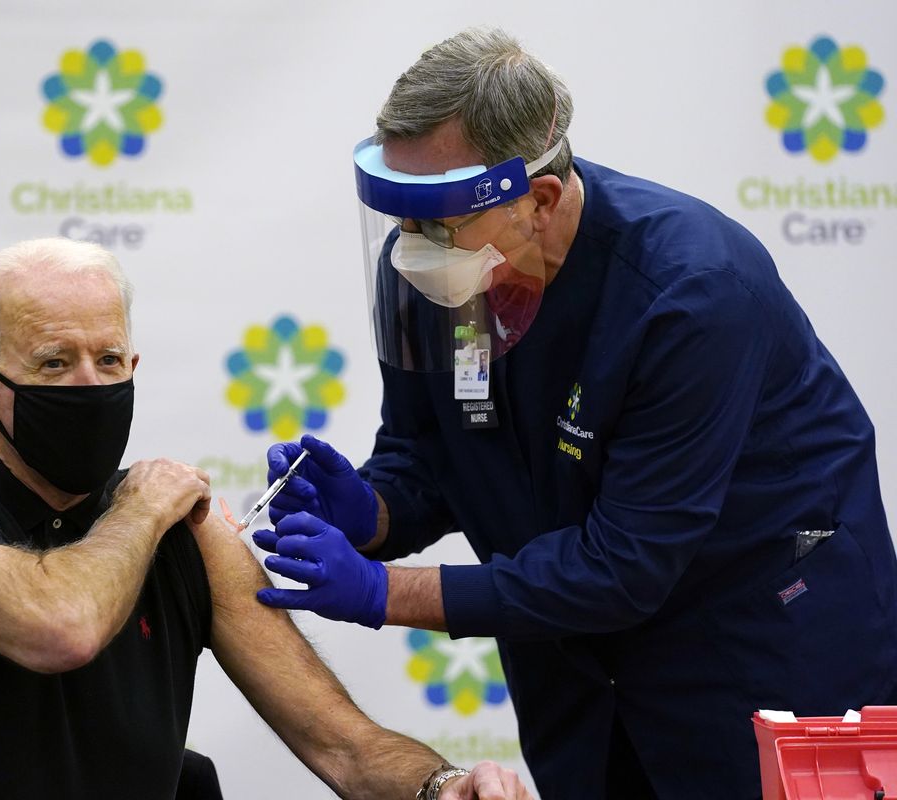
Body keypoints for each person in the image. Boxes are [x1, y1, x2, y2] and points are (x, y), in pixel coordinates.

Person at [255, 27, 897, 799]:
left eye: (437, 223)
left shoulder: (691, 293)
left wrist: (383, 592)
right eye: (402, 219)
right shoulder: (444, 275)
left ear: (542, 201)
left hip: (761, 650)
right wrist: (374, 511)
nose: (410, 248)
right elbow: (433, 454)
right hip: (581, 673)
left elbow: (623, 565)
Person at [0, 237, 531, 800]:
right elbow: (60, 626)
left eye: (108, 360)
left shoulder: (183, 537)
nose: (90, 385)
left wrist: (441, 788)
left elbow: (342, 744)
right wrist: (139, 508)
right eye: (54, 363)